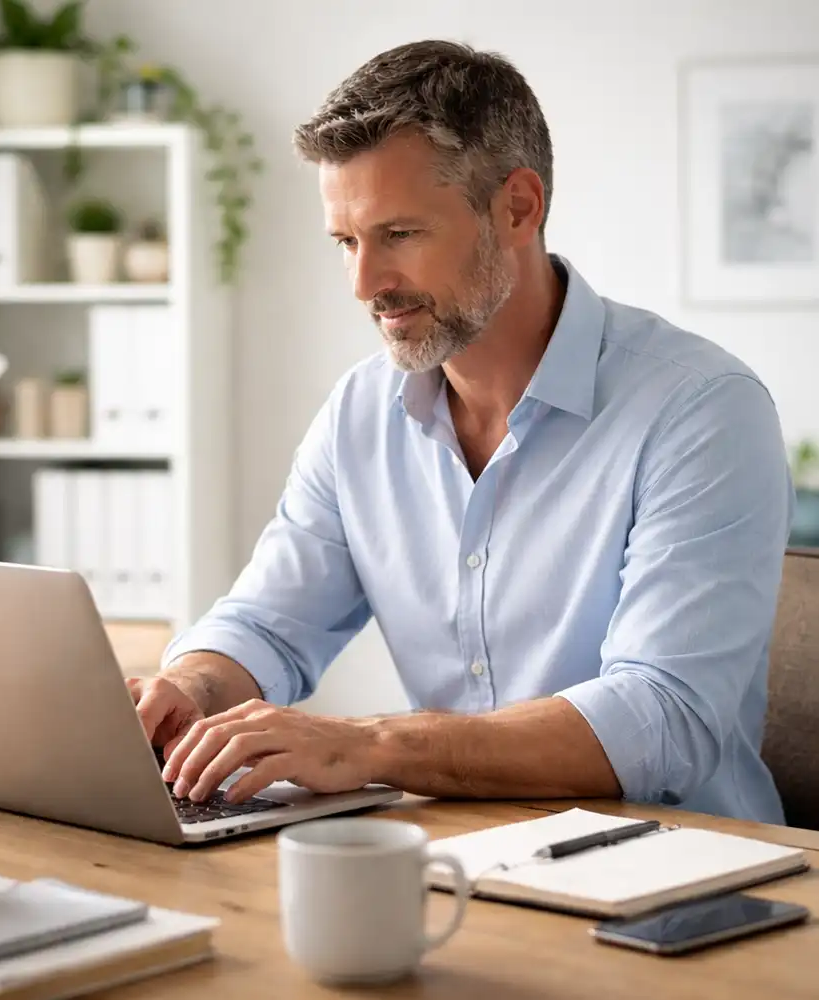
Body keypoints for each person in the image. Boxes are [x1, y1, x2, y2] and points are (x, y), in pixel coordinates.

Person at [127, 39, 793, 823]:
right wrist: (193, 687)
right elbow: (268, 624)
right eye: (346, 241)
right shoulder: (359, 415)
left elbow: (662, 718)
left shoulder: (702, 409)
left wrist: (367, 745)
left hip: (691, 884)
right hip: (461, 867)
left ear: (517, 207)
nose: (365, 283)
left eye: (400, 234)